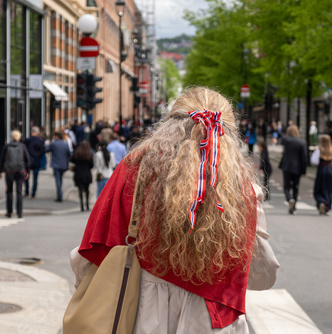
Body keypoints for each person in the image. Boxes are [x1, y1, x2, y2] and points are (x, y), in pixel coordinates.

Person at [69, 87, 279, 333]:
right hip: (209, 320)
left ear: (170, 123)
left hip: (139, 311)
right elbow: (263, 275)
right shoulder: (242, 190)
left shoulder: (132, 171)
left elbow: (90, 254)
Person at [0, 130, 31, 218]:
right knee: (19, 192)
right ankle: (19, 213)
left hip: (9, 172)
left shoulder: (6, 147)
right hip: (20, 171)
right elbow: (27, 159)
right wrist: (27, 171)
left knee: (9, 191)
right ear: (19, 137)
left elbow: (2, 159)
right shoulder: (23, 146)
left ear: (12, 137)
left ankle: (9, 212)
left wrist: (0, 171)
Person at [279, 125, 308, 214]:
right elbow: (304, 157)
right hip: (297, 167)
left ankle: (289, 199)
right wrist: (304, 170)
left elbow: (281, 141)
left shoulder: (285, 140)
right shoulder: (301, 142)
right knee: (295, 187)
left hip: (287, 165)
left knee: (286, 186)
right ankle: (294, 206)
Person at [310, 135, 332, 215]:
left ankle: (321, 201)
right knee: (328, 188)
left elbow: (314, 160)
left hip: (321, 169)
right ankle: (327, 205)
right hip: (329, 169)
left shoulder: (319, 150)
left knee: (318, 188)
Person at [46, 131, 71, 202]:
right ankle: (60, 194)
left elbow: (46, 150)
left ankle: (60, 195)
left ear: (57, 136)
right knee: (60, 179)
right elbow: (69, 154)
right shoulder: (65, 144)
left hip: (56, 165)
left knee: (58, 180)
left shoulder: (53, 144)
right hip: (63, 165)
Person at [71, 141, 94, 212]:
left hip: (78, 173)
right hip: (86, 173)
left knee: (80, 190)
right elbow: (91, 165)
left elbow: (72, 160)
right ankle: (87, 205)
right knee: (87, 190)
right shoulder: (89, 154)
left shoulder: (77, 153)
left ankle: (81, 205)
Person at [23, 126, 45, 199]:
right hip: (36, 161)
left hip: (28, 162)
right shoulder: (40, 141)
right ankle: (33, 194)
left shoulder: (27, 140)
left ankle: (26, 193)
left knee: (26, 177)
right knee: (35, 178)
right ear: (37, 132)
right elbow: (42, 152)